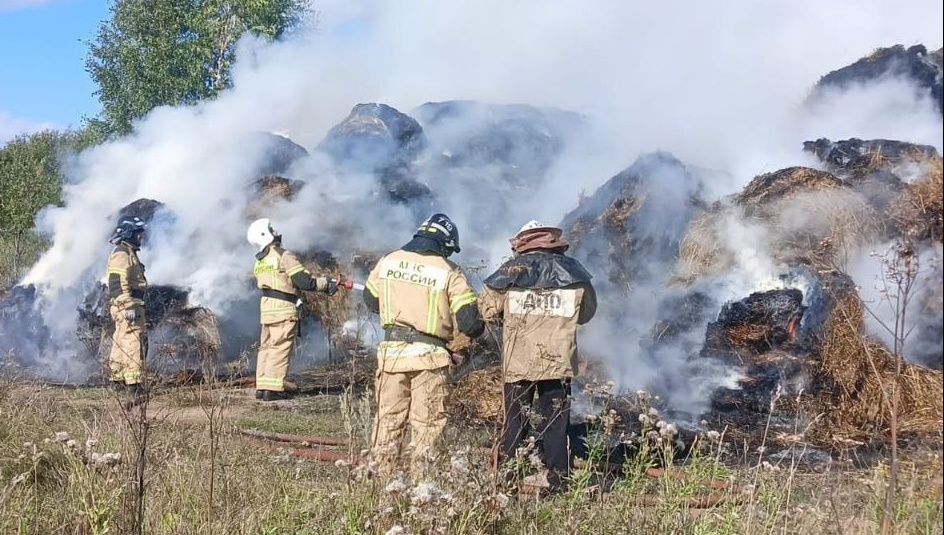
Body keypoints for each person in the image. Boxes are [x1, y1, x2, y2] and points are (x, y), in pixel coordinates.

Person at [362, 213, 485, 477]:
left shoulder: (389, 260)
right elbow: (470, 322)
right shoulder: (449, 271)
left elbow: (370, 301)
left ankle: (378, 485)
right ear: (445, 243)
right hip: (430, 359)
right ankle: (422, 490)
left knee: (388, 421)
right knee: (427, 426)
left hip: (392, 356)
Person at [480, 220, 597, 493]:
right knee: (556, 424)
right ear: (554, 242)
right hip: (557, 362)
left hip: (518, 361)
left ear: (521, 243)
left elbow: (485, 309)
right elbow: (587, 313)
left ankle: (507, 480)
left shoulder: (509, 272)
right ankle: (558, 482)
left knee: (515, 423)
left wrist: (505, 317)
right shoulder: (574, 272)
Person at [247, 218, 339, 401]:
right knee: (280, 347)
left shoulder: (260, 260)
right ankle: (272, 391)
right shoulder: (283, 255)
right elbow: (305, 282)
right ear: (265, 234)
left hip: (267, 309)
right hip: (282, 307)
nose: (277, 231)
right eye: (272, 229)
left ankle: (263, 387)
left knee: (266, 347)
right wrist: (327, 284)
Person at [105, 216, 149, 403]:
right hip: (129, 307)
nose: (141, 236)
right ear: (129, 233)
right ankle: (134, 388)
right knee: (133, 343)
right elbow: (116, 282)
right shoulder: (122, 254)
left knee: (121, 342)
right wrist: (127, 305)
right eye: (138, 233)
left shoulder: (128, 252)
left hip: (127, 307)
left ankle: (117, 380)